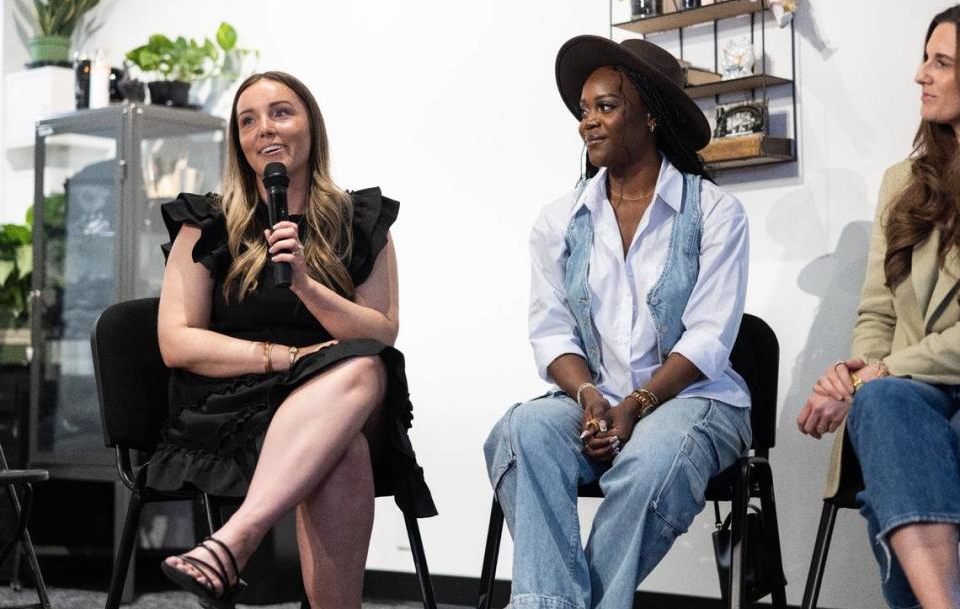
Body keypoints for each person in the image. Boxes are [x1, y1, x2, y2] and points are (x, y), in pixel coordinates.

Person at [483, 36, 752, 609]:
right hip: (597, 401)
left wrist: (635, 406)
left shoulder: (714, 213)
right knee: (522, 431)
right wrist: (587, 395)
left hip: (698, 402)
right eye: (584, 111)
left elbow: (708, 339)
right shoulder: (559, 220)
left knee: (652, 458)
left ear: (650, 114)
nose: (588, 123)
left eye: (606, 107)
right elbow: (551, 331)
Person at [150, 71, 436, 609]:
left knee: (364, 365)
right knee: (343, 447)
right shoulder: (207, 222)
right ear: (238, 140)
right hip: (235, 400)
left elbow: (380, 333)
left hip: (338, 393)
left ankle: (233, 541)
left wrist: (305, 285)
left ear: (311, 126)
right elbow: (176, 342)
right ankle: (246, 547)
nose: (265, 130)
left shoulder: (360, 219)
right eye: (248, 120)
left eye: (281, 112)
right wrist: (282, 357)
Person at [797, 5, 960, 609]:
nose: (921, 75)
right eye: (925, 59)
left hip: (937, 381)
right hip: (913, 391)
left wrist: (885, 369)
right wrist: (854, 372)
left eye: (941, 62)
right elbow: (878, 310)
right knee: (884, 406)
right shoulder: (903, 181)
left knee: (897, 415)